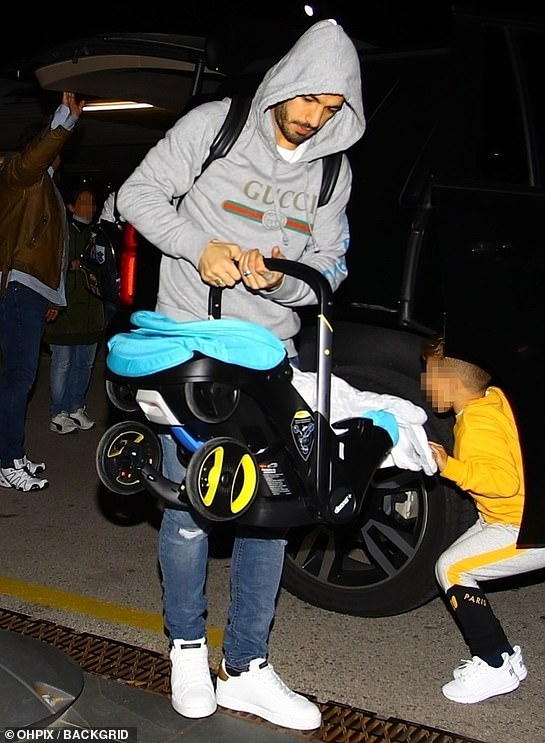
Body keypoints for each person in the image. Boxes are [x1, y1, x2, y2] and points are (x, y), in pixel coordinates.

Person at [116, 19, 365, 730]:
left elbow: (330, 267)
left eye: (333, 107)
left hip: (272, 357)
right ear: (285, 82)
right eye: (309, 99)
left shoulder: (332, 171)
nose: (315, 117)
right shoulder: (214, 128)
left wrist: (282, 280)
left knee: (272, 511)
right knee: (191, 508)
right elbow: (137, 195)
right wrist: (198, 247)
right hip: (192, 349)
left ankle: (249, 665)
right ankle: (188, 649)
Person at [421, 336, 545, 704]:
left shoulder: (476, 425)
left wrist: (450, 467)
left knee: (452, 570)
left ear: (453, 384)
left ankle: (494, 662)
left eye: (429, 375)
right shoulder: (494, 399)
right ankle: (507, 660)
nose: (424, 383)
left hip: (526, 531)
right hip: (515, 519)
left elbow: (504, 483)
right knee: (451, 566)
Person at [0, 91, 85, 492]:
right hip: (19, 286)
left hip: (31, 290)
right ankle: (6, 461)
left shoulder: (45, 187)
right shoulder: (21, 176)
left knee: (21, 377)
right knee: (18, 378)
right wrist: (64, 121)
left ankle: (13, 455)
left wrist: (54, 295)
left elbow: (55, 252)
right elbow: (32, 158)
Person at [44, 184, 105, 434]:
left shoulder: (98, 233)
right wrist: (73, 265)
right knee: (63, 363)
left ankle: (76, 407)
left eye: (92, 203)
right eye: (83, 202)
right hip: (66, 309)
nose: (89, 208)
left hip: (92, 311)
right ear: (70, 206)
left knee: (85, 364)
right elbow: (50, 264)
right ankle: (58, 412)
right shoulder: (62, 231)